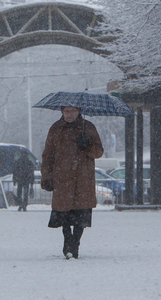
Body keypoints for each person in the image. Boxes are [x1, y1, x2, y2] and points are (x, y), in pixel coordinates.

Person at [41, 106, 104, 259]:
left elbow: (99, 151)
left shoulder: (88, 128)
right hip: (62, 179)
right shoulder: (56, 129)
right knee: (64, 215)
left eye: (72, 111)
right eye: (66, 111)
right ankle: (67, 240)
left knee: (81, 216)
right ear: (62, 112)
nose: (69, 114)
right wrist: (47, 177)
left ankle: (75, 243)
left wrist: (87, 146)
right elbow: (48, 155)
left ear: (78, 112)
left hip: (83, 180)